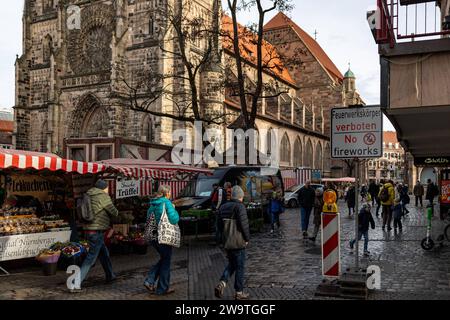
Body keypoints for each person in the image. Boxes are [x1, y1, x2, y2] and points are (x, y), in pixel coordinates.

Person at [78, 179, 119, 288]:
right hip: (97, 231)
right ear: (104, 188)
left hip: (88, 229)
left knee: (104, 254)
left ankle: (110, 275)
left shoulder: (88, 194)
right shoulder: (103, 196)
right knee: (90, 258)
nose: (108, 189)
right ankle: (75, 282)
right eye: (107, 187)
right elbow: (114, 212)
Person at [215, 186, 250, 300]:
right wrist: (247, 238)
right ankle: (239, 292)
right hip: (238, 241)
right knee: (240, 267)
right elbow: (244, 225)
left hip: (227, 242)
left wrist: (221, 240)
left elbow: (219, 226)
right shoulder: (240, 207)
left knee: (232, 264)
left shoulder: (223, 207)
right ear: (240, 196)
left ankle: (222, 282)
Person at [144, 185, 180, 295]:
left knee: (164, 259)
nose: (170, 195)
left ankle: (151, 281)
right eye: (169, 193)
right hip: (164, 236)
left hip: (154, 237)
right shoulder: (167, 202)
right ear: (167, 193)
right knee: (166, 261)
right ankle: (161, 288)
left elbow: (148, 219)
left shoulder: (152, 204)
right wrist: (173, 208)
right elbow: (174, 219)